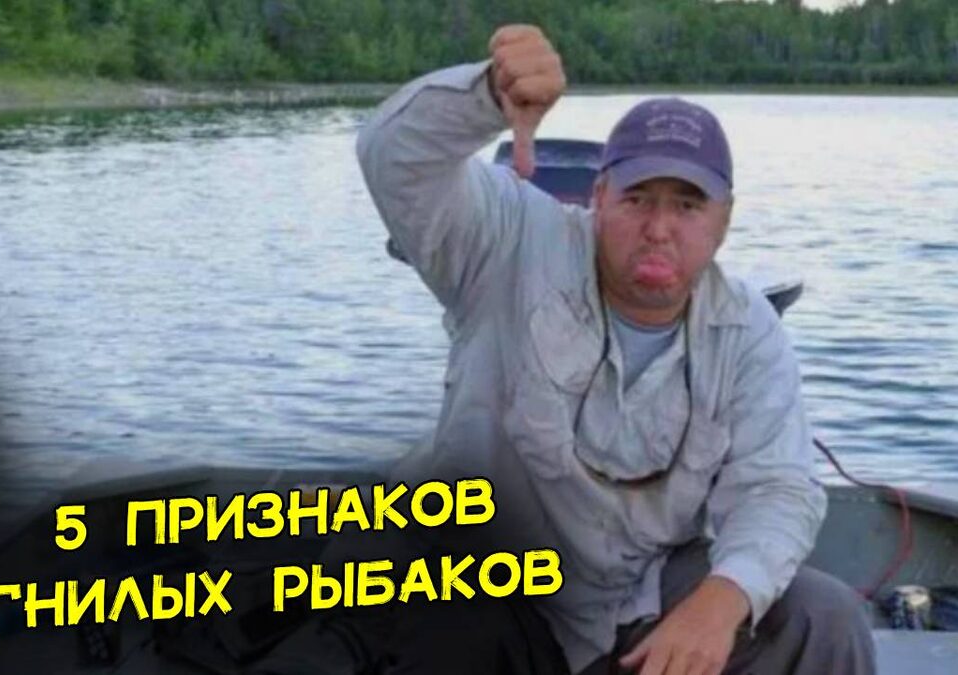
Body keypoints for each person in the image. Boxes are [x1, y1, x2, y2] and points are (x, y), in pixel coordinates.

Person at [355, 24, 876, 675]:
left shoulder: (747, 330)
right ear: (599, 197)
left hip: (639, 597)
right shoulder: (506, 243)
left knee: (822, 619)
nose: (659, 228)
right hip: (494, 587)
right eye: (638, 199)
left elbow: (777, 487)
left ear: (723, 220)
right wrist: (487, 94)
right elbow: (392, 157)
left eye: (687, 205)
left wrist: (723, 599)